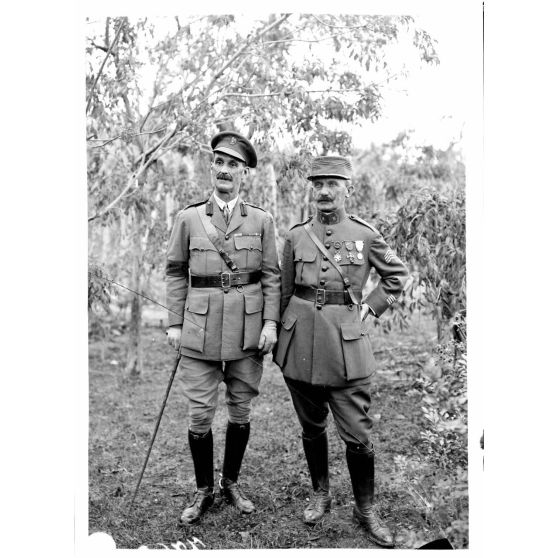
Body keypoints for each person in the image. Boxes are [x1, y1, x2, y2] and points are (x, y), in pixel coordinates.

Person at [273, 155, 409, 548]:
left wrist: (371, 306)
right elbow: (283, 291)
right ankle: (321, 494)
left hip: (347, 346)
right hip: (298, 345)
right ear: (311, 190)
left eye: (333, 184)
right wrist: (277, 333)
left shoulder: (364, 234)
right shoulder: (296, 236)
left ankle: (365, 509)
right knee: (311, 427)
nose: (325, 192)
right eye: (318, 184)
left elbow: (397, 275)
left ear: (348, 188)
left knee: (357, 435)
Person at [165, 131, 280, 524]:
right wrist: (175, 323)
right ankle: (203, 489)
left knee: (241, 411)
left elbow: (270, 276)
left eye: (233, 164)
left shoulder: (262, 220)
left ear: (244, 172)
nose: (225, 170)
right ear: (211, 167)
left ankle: (230, 481)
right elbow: (176, 272)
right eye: (219, 162)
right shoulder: (189, 218)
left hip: (248, 332)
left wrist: (270, 323)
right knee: (200, 414)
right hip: (199, 329)